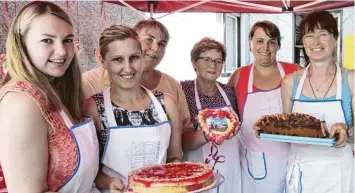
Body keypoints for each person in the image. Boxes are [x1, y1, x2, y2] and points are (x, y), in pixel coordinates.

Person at [0, 1, 99, 193]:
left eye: (68, 40)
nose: (62, 51)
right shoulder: (21, 103)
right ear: (22, 45)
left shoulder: (57, 89)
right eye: (47, 40)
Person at [86, 25, 183, 193]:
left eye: (134, 58)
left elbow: (175, 156)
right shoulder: (94, 107)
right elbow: (89, 172)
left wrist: (175, 169)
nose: (128, 68)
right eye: (118, 59)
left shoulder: (166, 104)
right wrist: (108, 182)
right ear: (102, 61)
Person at [280, 11, 354, 193]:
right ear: (303, 42)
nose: (316, 42)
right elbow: (286, 131)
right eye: (309, 35)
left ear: (335, 38)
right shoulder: (290, 83)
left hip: (340, 175)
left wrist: (346, 129)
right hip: (302, 174)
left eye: (323, 34)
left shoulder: (351, 80)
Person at [227, 21, 299, 193]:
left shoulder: (295, 72)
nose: (265, 47)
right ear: (250, 43)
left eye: (271, 42)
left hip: (294, 159)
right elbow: (225, 114)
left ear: (278, 45)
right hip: (256, 165)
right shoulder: (239, 76)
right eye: (260, 41)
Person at [82, 19, 191, 129]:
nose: (155, 48)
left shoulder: (171, 90)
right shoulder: (88, 84)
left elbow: (183, 135)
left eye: (162, 44)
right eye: (149, 39)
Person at [181, 37, 241, 193]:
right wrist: (209, 134)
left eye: (218, 61)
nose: (212, 65)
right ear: (194, 62)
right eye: (206, 59)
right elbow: (179, 140)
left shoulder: (228, 91)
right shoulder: (183, 90)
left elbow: (236, 123)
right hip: (197, 170)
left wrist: (235, 130)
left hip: (229, 167)